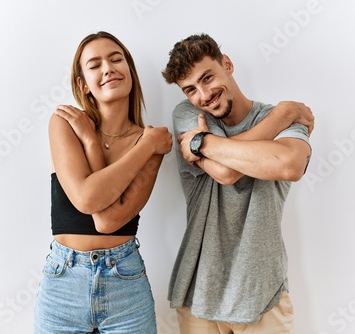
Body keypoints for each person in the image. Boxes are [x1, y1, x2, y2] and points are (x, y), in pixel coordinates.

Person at [161, 33, 314, 333]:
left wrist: (202, 145)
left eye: (208, 78)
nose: (204, 95)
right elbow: (226, 174)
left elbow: (289, 164)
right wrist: (283, 115)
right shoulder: (188, 114)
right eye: (190, 89)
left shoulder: (279, 118)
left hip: (263, 294)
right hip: (198, 293)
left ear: (227, 64)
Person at [33, 31, 173, 334]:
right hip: (62, 285)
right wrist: (92, 140)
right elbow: (86, 199)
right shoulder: (67, 123)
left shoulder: (149, 140)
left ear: (130, 73)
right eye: (94, 65)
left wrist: (146, 144)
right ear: (83, 84)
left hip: (125, 285)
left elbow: (108, 220)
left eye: (115, 59)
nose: (108, 68)